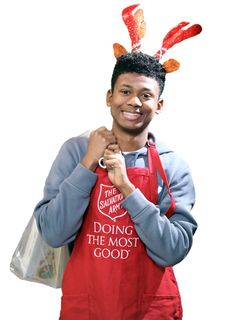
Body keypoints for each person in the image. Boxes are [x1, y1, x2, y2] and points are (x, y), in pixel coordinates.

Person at [33, 51, 197, 319]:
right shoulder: (76, 152)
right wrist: (88, 163)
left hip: (149, 310)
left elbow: (173, 250)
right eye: (125, 91)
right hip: (87, 308)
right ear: (110, 97)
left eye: (146, 95)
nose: (134, 101)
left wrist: (127, 188)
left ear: (159, 104)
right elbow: (53, 233)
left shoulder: (172, 167)